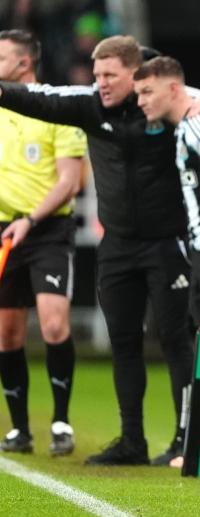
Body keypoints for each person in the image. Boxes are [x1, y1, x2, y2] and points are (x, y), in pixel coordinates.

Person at [0, 35, 200, 466]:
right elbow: (40, 99)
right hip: (118, 246)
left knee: (176, 340)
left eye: (110, 75)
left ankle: (184, 438)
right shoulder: (88, 104)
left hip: (169, 243)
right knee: (124, 343)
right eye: (97, 73)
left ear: (135, 73)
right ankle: (131, 442)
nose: (100, 82)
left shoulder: (162, 99)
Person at [0, 29, 87, 456]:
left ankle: (61, 421)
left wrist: (30, 221)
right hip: (3, 232)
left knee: (53, 322)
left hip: (48, 229)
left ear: (23, 63)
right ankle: (19, 429)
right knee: (7, 333)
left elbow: (71, 182)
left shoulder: (57, 108)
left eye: (0, 58)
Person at [133, 56, 200, 332]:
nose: (140, 101)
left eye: (147, 92)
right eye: (138, 94)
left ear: (173, 89)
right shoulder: (185, 126)